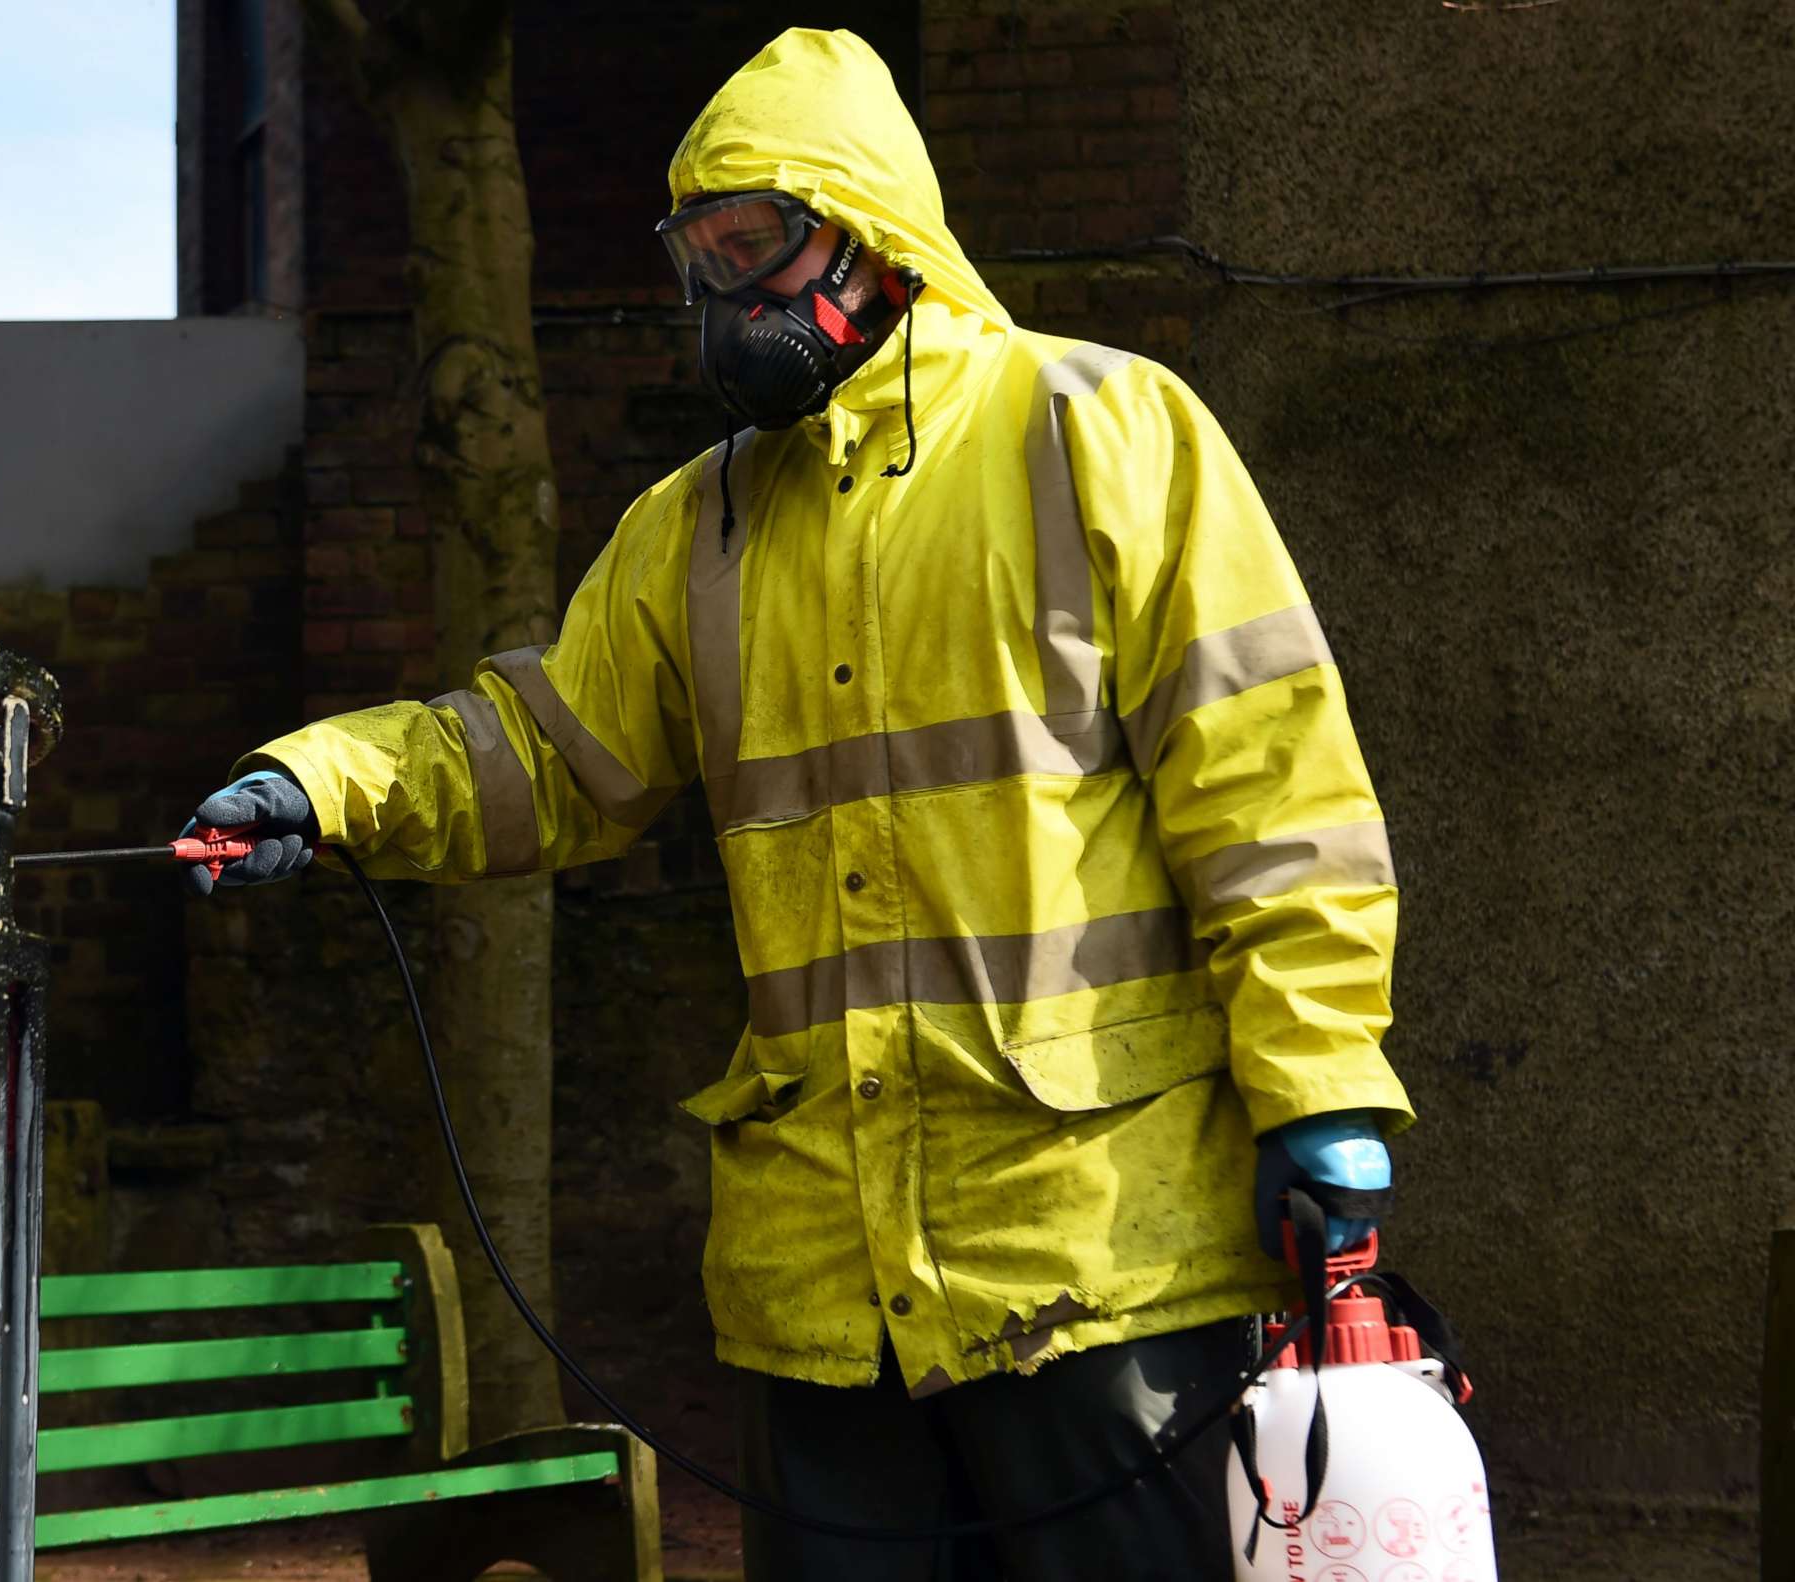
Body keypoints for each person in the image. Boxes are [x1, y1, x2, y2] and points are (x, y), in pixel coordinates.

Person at [179, 28, 1409, 1580]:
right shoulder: (694, 530)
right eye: (697, 256)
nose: (721, 298)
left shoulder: (1101, 432)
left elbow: (1274, 793)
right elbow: (545, 749)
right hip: (824, 1292)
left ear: (870, 233)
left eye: (752, 246)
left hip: (1100, 1263)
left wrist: (1322, 1096)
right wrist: (326, 783)